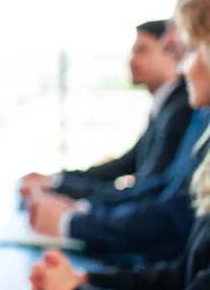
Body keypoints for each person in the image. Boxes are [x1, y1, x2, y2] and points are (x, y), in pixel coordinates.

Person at [27, 0, 210, 290]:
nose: (181, 65)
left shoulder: (187, 112)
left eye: (192, 49)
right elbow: (185, 274)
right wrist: (87, 282)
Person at [21, 20, 192, 200]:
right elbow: (126, 163)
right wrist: (59, 180)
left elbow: (147, 190)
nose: (131, 60)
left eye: (142, 50)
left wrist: (63, 193)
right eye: (132, 51)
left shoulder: (179, 110)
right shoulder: (165, 106)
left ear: (172, 54)